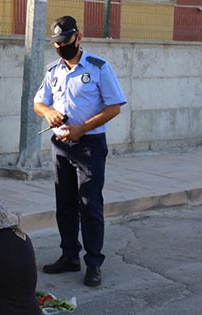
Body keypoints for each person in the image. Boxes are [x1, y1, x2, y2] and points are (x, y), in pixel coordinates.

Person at [33, 16, 127, 287]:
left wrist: (81, 129)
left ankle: (94, 262)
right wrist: (49, 113)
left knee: (90, 205)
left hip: (90, 147)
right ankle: (69, 255)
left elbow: (114, 107)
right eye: (57, 44)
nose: (61, 47)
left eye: (65, 41)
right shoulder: (53, 71)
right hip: (61, 146)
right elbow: (38, 102)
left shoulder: (98, 68)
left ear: (78, 37)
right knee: (65, 205)